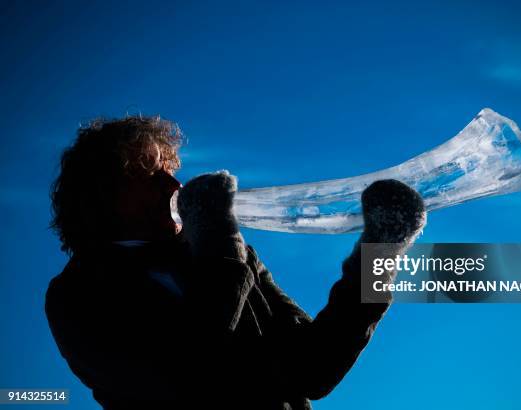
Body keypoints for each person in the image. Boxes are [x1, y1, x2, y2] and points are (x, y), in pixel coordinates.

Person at [46, 115, 427, 409]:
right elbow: (188, 373)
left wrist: (381, 252)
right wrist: (220, 243)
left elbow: (315, 367)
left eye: (170, 171)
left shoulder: (225, 253)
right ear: (101, 195)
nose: (173, 186)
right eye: (149, 175)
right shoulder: (75, 295)